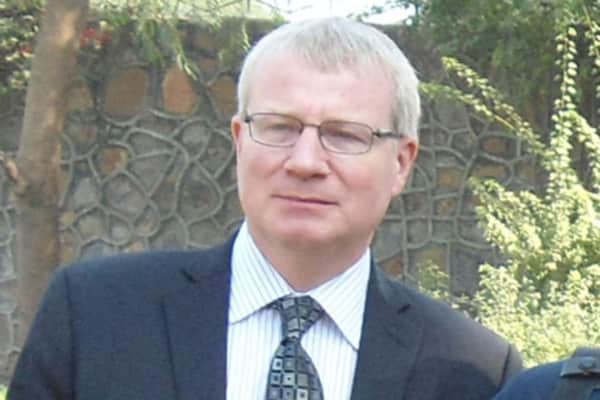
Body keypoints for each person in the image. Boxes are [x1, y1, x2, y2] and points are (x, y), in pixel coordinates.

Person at [9, 17, 522, 400]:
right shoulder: (95, 316)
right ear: (239, 140)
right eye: (279, 127)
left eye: (345, 135)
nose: (305, 162)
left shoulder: (475, 373)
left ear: (401, 163)